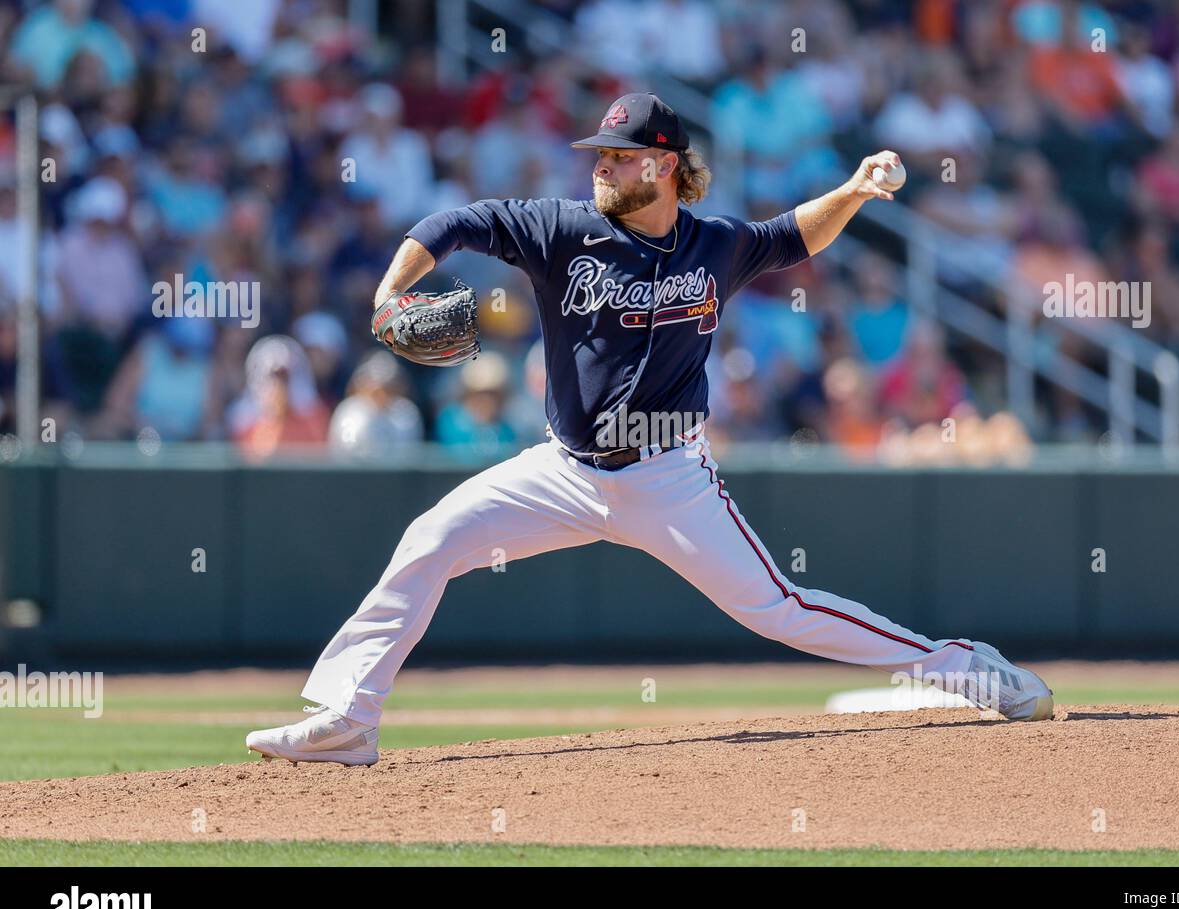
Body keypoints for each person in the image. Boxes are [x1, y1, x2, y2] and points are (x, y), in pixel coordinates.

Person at [246, 93, 1053, 767]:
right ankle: (350, 717)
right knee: (431, 539)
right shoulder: (559, 230)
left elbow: (792, 236)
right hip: (563, 470)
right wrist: (393, 290)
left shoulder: (716, 245)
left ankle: (961, 668)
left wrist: (853, 189)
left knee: (782, 609)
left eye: (619, 155)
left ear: (664, 165)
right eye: (598, 154)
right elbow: (456, 222)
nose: (600, 165)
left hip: (670, 477)